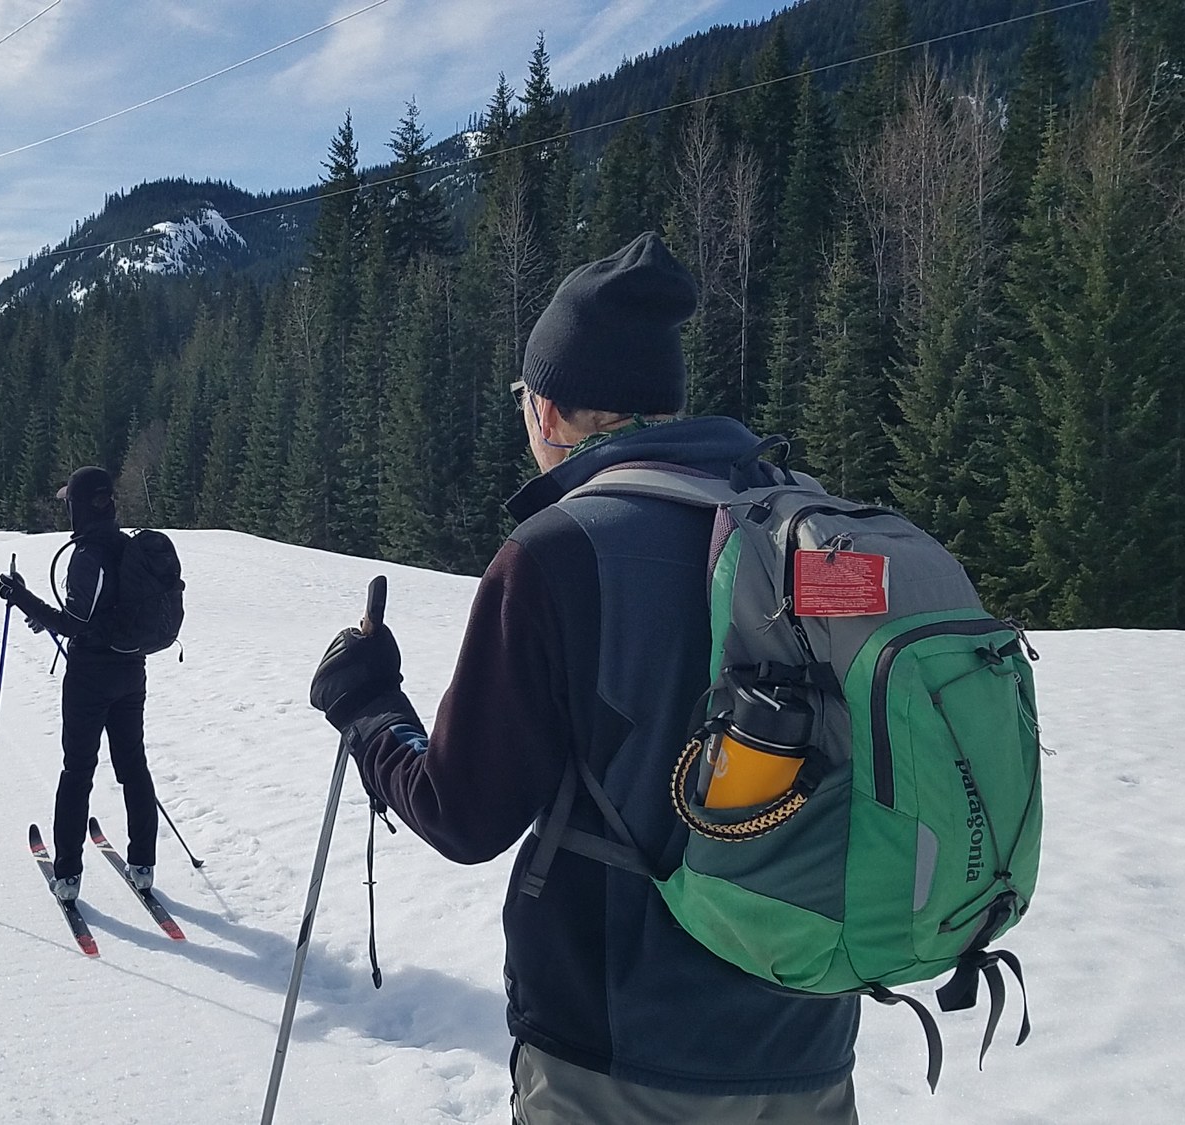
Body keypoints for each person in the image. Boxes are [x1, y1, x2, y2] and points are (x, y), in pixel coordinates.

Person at [308, 233, 859, 1124]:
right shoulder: (800, 527)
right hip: (808, 1037)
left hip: (618, 1056)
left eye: (525, 397)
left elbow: (464, 809)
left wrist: (369, 708)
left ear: (551, 411)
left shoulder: (557, 552)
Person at [0, 466, 159, 901]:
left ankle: (67, 876)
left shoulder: (89, 555)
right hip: (131, 671)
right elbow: (94, 619)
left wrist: (22, 598)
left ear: (79, 508)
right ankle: (143, 864)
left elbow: (75, 622)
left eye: (68, 502)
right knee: (133, 766)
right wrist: (38, 611)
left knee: (78, 770)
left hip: (91, 680)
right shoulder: (128, 549)